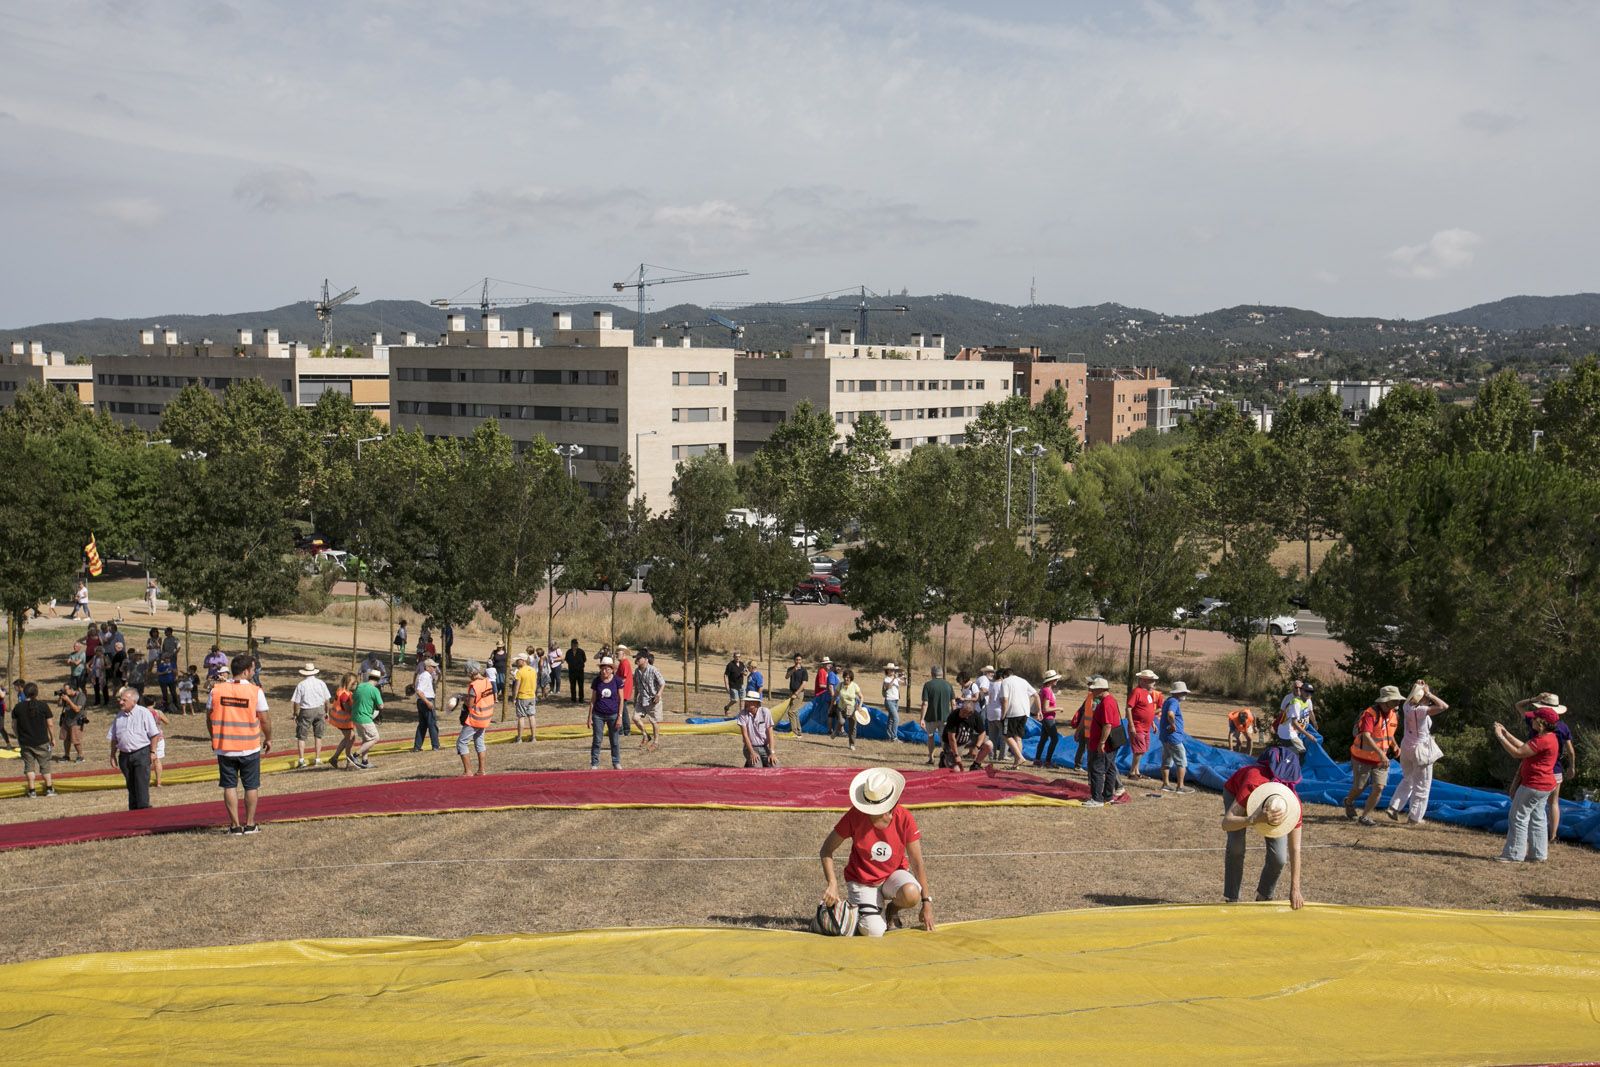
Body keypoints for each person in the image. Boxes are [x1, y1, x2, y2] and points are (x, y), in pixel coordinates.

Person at [819, 768, 936, 936]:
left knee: (911, 893)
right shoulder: (854, 815)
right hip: (862, 882)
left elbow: (917, 863)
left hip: (893, 875)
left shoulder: (905, 818)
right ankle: (863, 910)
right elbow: (826, 850)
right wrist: (832, 883)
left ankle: (891, 910)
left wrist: (926, 903)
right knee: (873, 931)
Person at [1221, 745, 1305, 909]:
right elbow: (1227, 823)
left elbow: (1295, 849)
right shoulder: (1252, 783)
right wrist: (1253, 819)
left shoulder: (1293, 805)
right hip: (1237, 792)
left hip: (1270, 807)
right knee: (1236, 847)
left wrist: (1295, 889)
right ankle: (1231, 898)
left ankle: (1264, 896)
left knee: (1279, 857)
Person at [207, 655, 271, 834]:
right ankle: (250, 824)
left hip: (225, 746)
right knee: (251, 786)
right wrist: (269, 738)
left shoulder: (216, 690)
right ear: (246, 671)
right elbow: (265, 719)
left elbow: (209, 717)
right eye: (252, 669)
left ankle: (235, 826)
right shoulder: (255, 691)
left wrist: (214, 737)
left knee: (229, 786)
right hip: (249, 746)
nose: (254, 672)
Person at [1495, 702, 1561, 863]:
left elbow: (1518, 753)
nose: (1531, 720)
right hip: (1545, 785)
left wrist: (1500, 736)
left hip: (1533, 784)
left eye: (1534, 718)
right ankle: (1538, 854)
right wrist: (1507, 733)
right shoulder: (1550, 738)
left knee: (1518, 816)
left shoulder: (1542, 740)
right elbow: (1525, 748)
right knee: (1538, 817)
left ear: (1542, 722)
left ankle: (1514, 854)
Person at [1515, 692, 1576, 846]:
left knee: (1528, 804)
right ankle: (1552, 835)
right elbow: (1570, 750)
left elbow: (1518, 706)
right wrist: (1571, 767)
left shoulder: (1534, 720)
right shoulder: (1562, 727)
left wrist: (1533, 699)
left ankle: (1528, 834)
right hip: (1555, 768)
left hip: (1535, 766)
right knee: (1553, 802)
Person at [1388, 680, 1450, 825]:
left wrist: (1417, 687)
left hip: (1406, 747)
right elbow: (1444, 706)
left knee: (1408, 779)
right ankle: (1414, 817)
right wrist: (1429, 693)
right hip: (1420, 749)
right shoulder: (1421, 711)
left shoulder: (1406, 706)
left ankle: (1394, 806)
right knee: (1422, 785)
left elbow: (1412, 698)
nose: (1429, 701)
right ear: (1423, 698)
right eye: (1427, 699)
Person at [1344, 685, 1403, 826]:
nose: (1398, 703)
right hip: (1362, 757)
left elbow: (1388, 733)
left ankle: (1365, 816)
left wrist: (1394, 745)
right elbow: (1366, 735)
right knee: (1359, 787)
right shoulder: (1370, 714)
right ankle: (1349, 801)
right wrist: (1382, 754)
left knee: (1379, 787)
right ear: (1384, 701)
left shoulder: (1394, 714)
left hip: (1380, 760)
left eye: (1398, 700)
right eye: (1395, 700)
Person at [108, 686, 161, 811]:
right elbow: (114, 738)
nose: (120, 702)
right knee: (131, 785)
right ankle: (133, 811)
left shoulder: (144, 713)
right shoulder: (119, 716)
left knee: (141, 784)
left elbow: (154, 734)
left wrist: (153, 752)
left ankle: (143, 811)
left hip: (141, 753)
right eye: (120, 699)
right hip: (124, 756)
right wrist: (112, 755)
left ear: (134, 701)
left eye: (124, 700)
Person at [1083, 677, 1123, 807]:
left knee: (1097, 769)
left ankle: (1097, 799)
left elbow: (1107, 725)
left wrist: (1101, 743)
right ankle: (1108, 796)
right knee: (1110, 769)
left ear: (1101, 690)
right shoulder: (1110, 700)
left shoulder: (1106, 703)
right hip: (1111, 744)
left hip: (1104, 744)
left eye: (1094, 690)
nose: (1092, 692)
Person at [13, 683, 56, 797]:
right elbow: (50, 724)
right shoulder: (43, 706)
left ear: (24, 692)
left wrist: (18, 737)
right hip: (42, 741)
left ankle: (32, 791)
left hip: (25, 742)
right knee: (45, 765)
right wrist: (53, 738)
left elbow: (14, 726)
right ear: (36, 693)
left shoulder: (18, 707)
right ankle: (49, 789)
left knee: (29, 766)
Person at [996, 665, 1038, 770]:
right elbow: (1036, 694)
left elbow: (1005, 700)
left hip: (1012, 713)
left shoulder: (1005, 682)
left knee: (1006, 735)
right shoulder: (1023, 680)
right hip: (1024, 712)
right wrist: (1039, 710)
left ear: (1004, 676)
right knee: (1018, 738)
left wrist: (1003, 715)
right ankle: (1016, 763)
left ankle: (1019, 757)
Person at [289, 663, 331, 768]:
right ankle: (317, 758)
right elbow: (327, 700)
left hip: (306, 711)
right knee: (318, 735)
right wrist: (327, 712)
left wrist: (295, 713)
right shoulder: (321, 683)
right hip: (320, 709)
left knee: (301, 736)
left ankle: (302, 760)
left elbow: (296, 702)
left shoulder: (301, 685)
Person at [457, 662, 495, 777]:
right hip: (486, 717)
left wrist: (463, 698)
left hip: (475, 718)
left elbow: (470, 704)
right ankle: (481, 770)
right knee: (479, 741)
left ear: (470, 672)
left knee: (461, 742)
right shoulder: (487, 681)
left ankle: (468, 771)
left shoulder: (474, 685)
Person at [1124, 669, 1161, 780]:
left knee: (1143, 749)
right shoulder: (1137, 692)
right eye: (1151, 681)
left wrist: (1152, 722)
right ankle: (1132, 772)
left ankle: (1137, 771)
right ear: (1143, 681)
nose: (1154, 683)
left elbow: (1147, 710)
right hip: (1137, 726)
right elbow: (1129, 708)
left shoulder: (1148, 694)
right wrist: (1131, 725)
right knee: (1139, 750)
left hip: (1146, 727)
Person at [588, 656, 623, 770]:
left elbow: (621, 699)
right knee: (597, 740)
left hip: (613, 715)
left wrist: (620, 716)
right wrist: (589, 717)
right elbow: (592, 700)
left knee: (614, 740)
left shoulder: (617, 681)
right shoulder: (596, 681)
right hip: (598, 715)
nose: (604, 671)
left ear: (612, 669)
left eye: (607, 669)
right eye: (602, 669)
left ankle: (616, 762)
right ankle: (594, 763)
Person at [919, 665, 955, 767]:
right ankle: (946, 759)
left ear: (932, 674)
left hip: (930, 718)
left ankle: (931, 757)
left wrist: (922, 718)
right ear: (942, 674)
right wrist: (954, 716)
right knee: (944, 739)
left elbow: (925, 703)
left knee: (930, 737)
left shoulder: (928, 685)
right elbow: (953, 703)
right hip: (945, 718)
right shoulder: (948, 685)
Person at [1159, 681, 1192, 792]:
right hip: (1174, 738)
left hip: (1165, 737)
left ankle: (1165, 784)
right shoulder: (1174, 702)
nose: (1185, 695)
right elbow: (1170, 714)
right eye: (1183, 692)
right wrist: (1173, 725)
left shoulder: (1167, 701)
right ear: (1178, 693)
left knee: (1166, 761)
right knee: (1181, 761)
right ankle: (1180, 786)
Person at [349, 668, 385, 769]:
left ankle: (364, 761)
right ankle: (354, 756)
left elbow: (353, 698)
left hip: (355, 716)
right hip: (365, 717)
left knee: (366, 739)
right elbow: (381, 706)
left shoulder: (359, 686)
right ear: (377, 680)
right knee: (375, 738)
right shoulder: (374, 690)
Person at [634, 649, 665, 753]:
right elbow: (637, 686)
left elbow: (662, 683)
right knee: (635, 718)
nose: (636, 660)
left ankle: (656, 743)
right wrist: (635, 698)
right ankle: (646, 735)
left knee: (654, 721)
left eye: (639, 658)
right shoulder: (636, 671)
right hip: (641, 700)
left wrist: (658, 694)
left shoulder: (653, 670)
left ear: (646, 659)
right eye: (636, 658)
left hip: (653, 700)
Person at [737, 689, 777, 768]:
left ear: (757, 703)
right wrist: (752, 752)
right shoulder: (742, 714)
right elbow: (745, 736)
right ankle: (751, 762)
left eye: (751, 701)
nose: (748, 703)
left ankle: (749, 764)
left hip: (765, 747)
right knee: (757, 768)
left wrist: (772, 752)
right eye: (747, 701)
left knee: (776, 766)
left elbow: (770, 733)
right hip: (750, 747)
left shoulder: (765, 712)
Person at [1033, 669, 1061, 768]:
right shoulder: (1047, 691)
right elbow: (1046, 708)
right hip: (1048, 718)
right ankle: (1048, 761)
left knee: (1043, 739)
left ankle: (1037, 759)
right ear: (1052, 680)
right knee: (1055, 739)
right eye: (1056, 679)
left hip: (1046, 718)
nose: (1057, 680)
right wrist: (1058, 708)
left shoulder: (1043, 689)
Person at [328, 673, 356, 769]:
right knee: (351, 738)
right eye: (354, 683)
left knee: (348, 738)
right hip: (343, 721)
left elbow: (333, 700)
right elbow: (347, 709)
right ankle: (349, 761)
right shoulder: (344, 694)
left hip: (339, 720)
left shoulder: (341, 690)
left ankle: (334, 758)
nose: (355, 684)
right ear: (349, 682)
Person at [412, 658, 440, 751]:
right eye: (433, 667)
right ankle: (435, 746)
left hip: (421, 701)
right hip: (426, 700)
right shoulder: (426, 676)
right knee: (432, 723)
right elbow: (419, 691)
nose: (435, 669)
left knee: (422, 725)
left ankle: (417, 747)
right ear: (427, 667)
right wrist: (428, 702)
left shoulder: (423, 675)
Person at [511, 653, 539, 743]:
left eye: (517, 660)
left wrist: (514, 698)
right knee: (532, 716)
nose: (516, 661)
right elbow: (535, 683)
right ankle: (533, 737)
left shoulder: (520, 672)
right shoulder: (533, 670)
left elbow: (517, 686)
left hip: (522, 697)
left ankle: (519, 738)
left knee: (521, 717)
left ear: (522, 661)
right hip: (531, 696)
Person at [57, 681, 87, 762]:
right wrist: (60, 697)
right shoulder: (66, 695)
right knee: (66, 739)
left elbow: (77, 709)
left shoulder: (81, 696)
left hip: (76, 721)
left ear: (71, 689)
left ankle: (81, 756)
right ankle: (66, 756)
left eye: (65, 689)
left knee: (76, 740)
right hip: (67, 719)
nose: (64, 691)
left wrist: (68, 700)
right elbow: (59, 704)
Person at [836, 668, 864, 751]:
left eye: (848, 677)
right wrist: (831, 705)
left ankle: (852, 744)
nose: (846, 678)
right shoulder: (840, 685)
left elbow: (861, 697)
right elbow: (835, 696)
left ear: (851, 678)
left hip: (852, 709)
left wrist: (860, 706)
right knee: (841, 722)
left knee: (853, 727)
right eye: (845, 677)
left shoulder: (854, 686)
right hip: (841, 708)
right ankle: (836, 730)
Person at [1068, 686, 1093, 772]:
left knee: (1082, 747)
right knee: (1089, 749)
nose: (1089, 686)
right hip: (1089, 729)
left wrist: (1078, 729)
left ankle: (1078, 765)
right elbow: (1085, 715)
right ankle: (1086, 767)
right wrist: (1078, 729)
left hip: (1085, 728)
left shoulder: (1089, 697)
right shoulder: (1091, 698)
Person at [615, 643, 635, 736]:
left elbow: (624, 678)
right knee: (622, 709)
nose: (617, 653)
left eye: (618, 652)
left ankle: (625, 730)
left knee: (622, 710)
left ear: (623, 653)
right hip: (623, 689)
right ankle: (624, 730)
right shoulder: (622, 663)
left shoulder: (625, 663)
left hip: (623, 690)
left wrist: (618, 688)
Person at [881, 664, 901, 734]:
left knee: (891, 719)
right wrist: (894, 679)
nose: (893, 671)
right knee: (896, 719)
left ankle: (889, 735)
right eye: (891, 669)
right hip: (889, 701)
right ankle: (894, 736)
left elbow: (905, 684)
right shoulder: (886, 679)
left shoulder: (896, 679)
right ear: (887, 670)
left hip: (896, 701)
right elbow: (888, 687)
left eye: (893, 669)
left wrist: (905, 677)